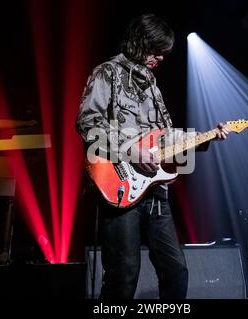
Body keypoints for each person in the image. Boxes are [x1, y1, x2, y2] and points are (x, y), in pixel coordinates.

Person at [76, 14, 230, 299]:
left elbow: (165, 137)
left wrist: (207, 136)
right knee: (124, 274)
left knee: (176, 271)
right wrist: (132, 151)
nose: (160, 57)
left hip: (156, 193)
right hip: (119, 186)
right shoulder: (107, 73)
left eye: (164, 52)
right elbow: (88, 123)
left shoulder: (153, 86)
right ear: (139, 42)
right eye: (155, 49)